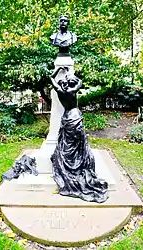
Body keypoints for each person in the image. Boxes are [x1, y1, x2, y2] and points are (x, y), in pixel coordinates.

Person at [50, 67, 108, 203]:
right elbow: (80, 82)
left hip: (66, 118)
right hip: (75, 117)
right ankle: (79, 164)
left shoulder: (60, 91)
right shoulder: (73, 90)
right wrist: (69, 73)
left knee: (68, 144)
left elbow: (52, 79)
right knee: (79, 145)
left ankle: (70, 165)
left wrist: (58, 70)